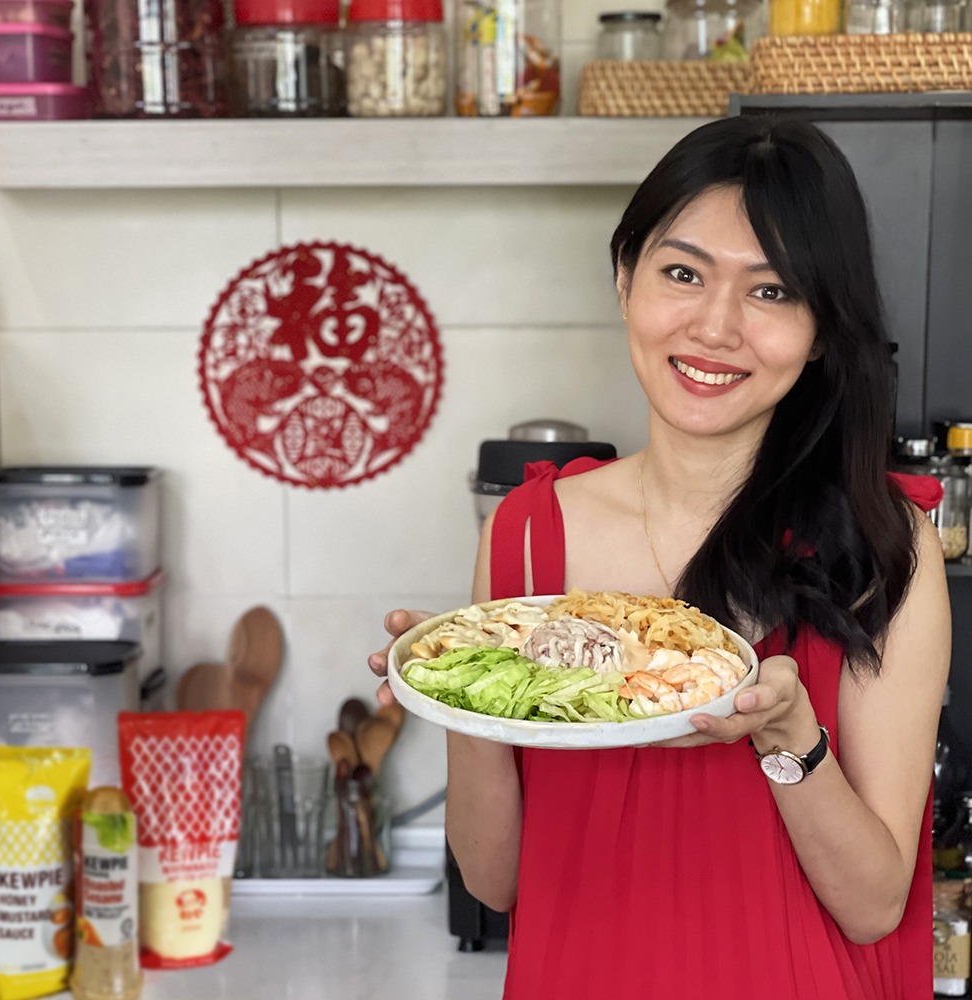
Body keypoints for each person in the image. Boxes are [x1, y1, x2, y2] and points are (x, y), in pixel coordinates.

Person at [367, 113, 951, 1000]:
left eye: (772, 290)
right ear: (624, 277)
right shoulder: (525, 536)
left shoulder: (884, 547)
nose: (715, 326)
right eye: (683, 273)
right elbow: (494, 880)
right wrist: (462, 692)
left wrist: (790, 738)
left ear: (824, 329)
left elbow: (875, 907)